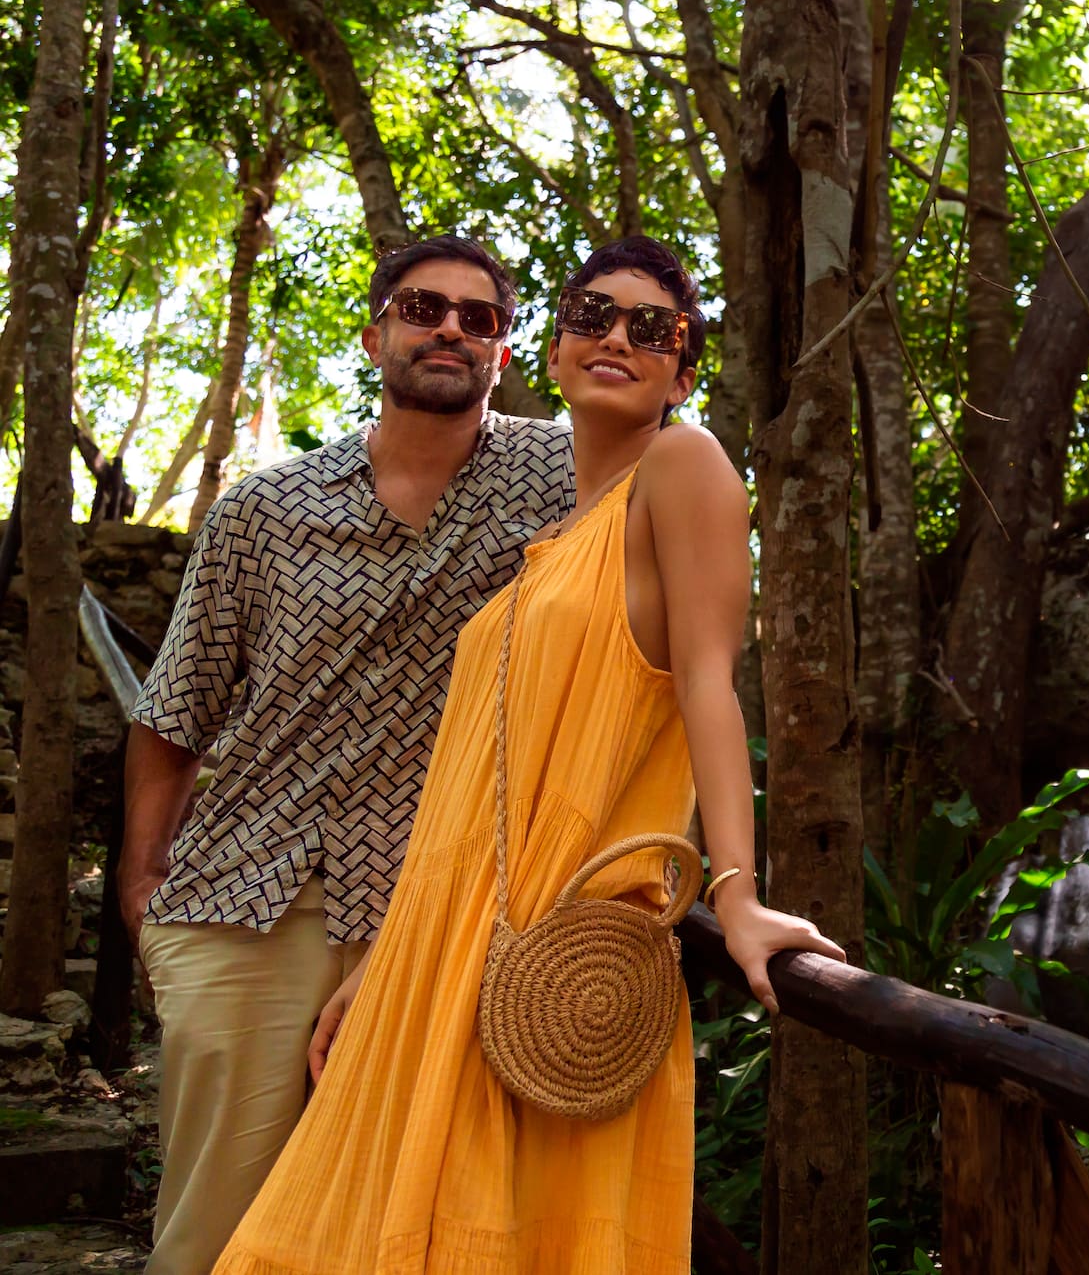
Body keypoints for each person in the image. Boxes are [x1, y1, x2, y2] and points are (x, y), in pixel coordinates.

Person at [210, 235, 841, 1274]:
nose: (615, 339)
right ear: (548, 353)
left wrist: (734, 893)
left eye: (652, 330)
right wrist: (381, 962)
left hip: (552, 954)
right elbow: (474, 786)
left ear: (683, 372)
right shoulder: (552, 539)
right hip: (442, 951)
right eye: (590, 316)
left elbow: (708, 685)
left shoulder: (681, 467)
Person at [124, 236, 576, 1274]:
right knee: (212, 1240)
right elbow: (171, 712)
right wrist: (145, 896)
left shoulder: (563, 486)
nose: (451, 327)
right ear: (375, 334)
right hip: (243, 903)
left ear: (504, 355)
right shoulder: (263, 508)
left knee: (401, 1240)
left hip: (439, 917)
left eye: (481, 316)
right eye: (423, 307)